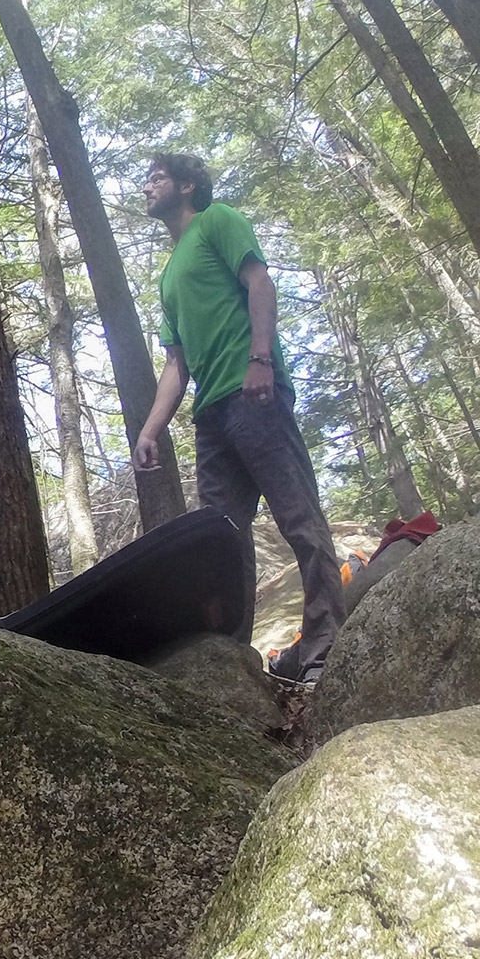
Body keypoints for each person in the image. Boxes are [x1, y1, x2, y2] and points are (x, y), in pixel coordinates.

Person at [132, 153, 345, 683]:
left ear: (186, 186)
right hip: (211, 417)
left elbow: (260, 284)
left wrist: (260, 360)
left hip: (255, 395)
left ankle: (324, 648)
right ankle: (235, 667)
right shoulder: (167, 277)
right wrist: (151, 428)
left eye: (156, 179)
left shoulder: (217, 221)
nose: (146, 188)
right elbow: (176, 363)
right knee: (222, 545)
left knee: (299, 519)